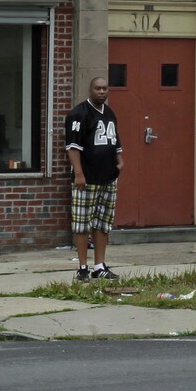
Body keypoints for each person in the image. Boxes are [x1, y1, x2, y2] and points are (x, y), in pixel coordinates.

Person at [65, 74, 122, 283]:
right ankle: (82, 267)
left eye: (105, 88)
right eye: (97, 88)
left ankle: (99, 266)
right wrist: (79, 173)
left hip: (107, 178)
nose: (101, 92)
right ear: (90, 90)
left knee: (102, 224)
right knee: (82, 224)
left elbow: (114, 140)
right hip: (86, 179)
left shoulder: (110, 113)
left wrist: (120, 161)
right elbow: (72, 147)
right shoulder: (78, 114)